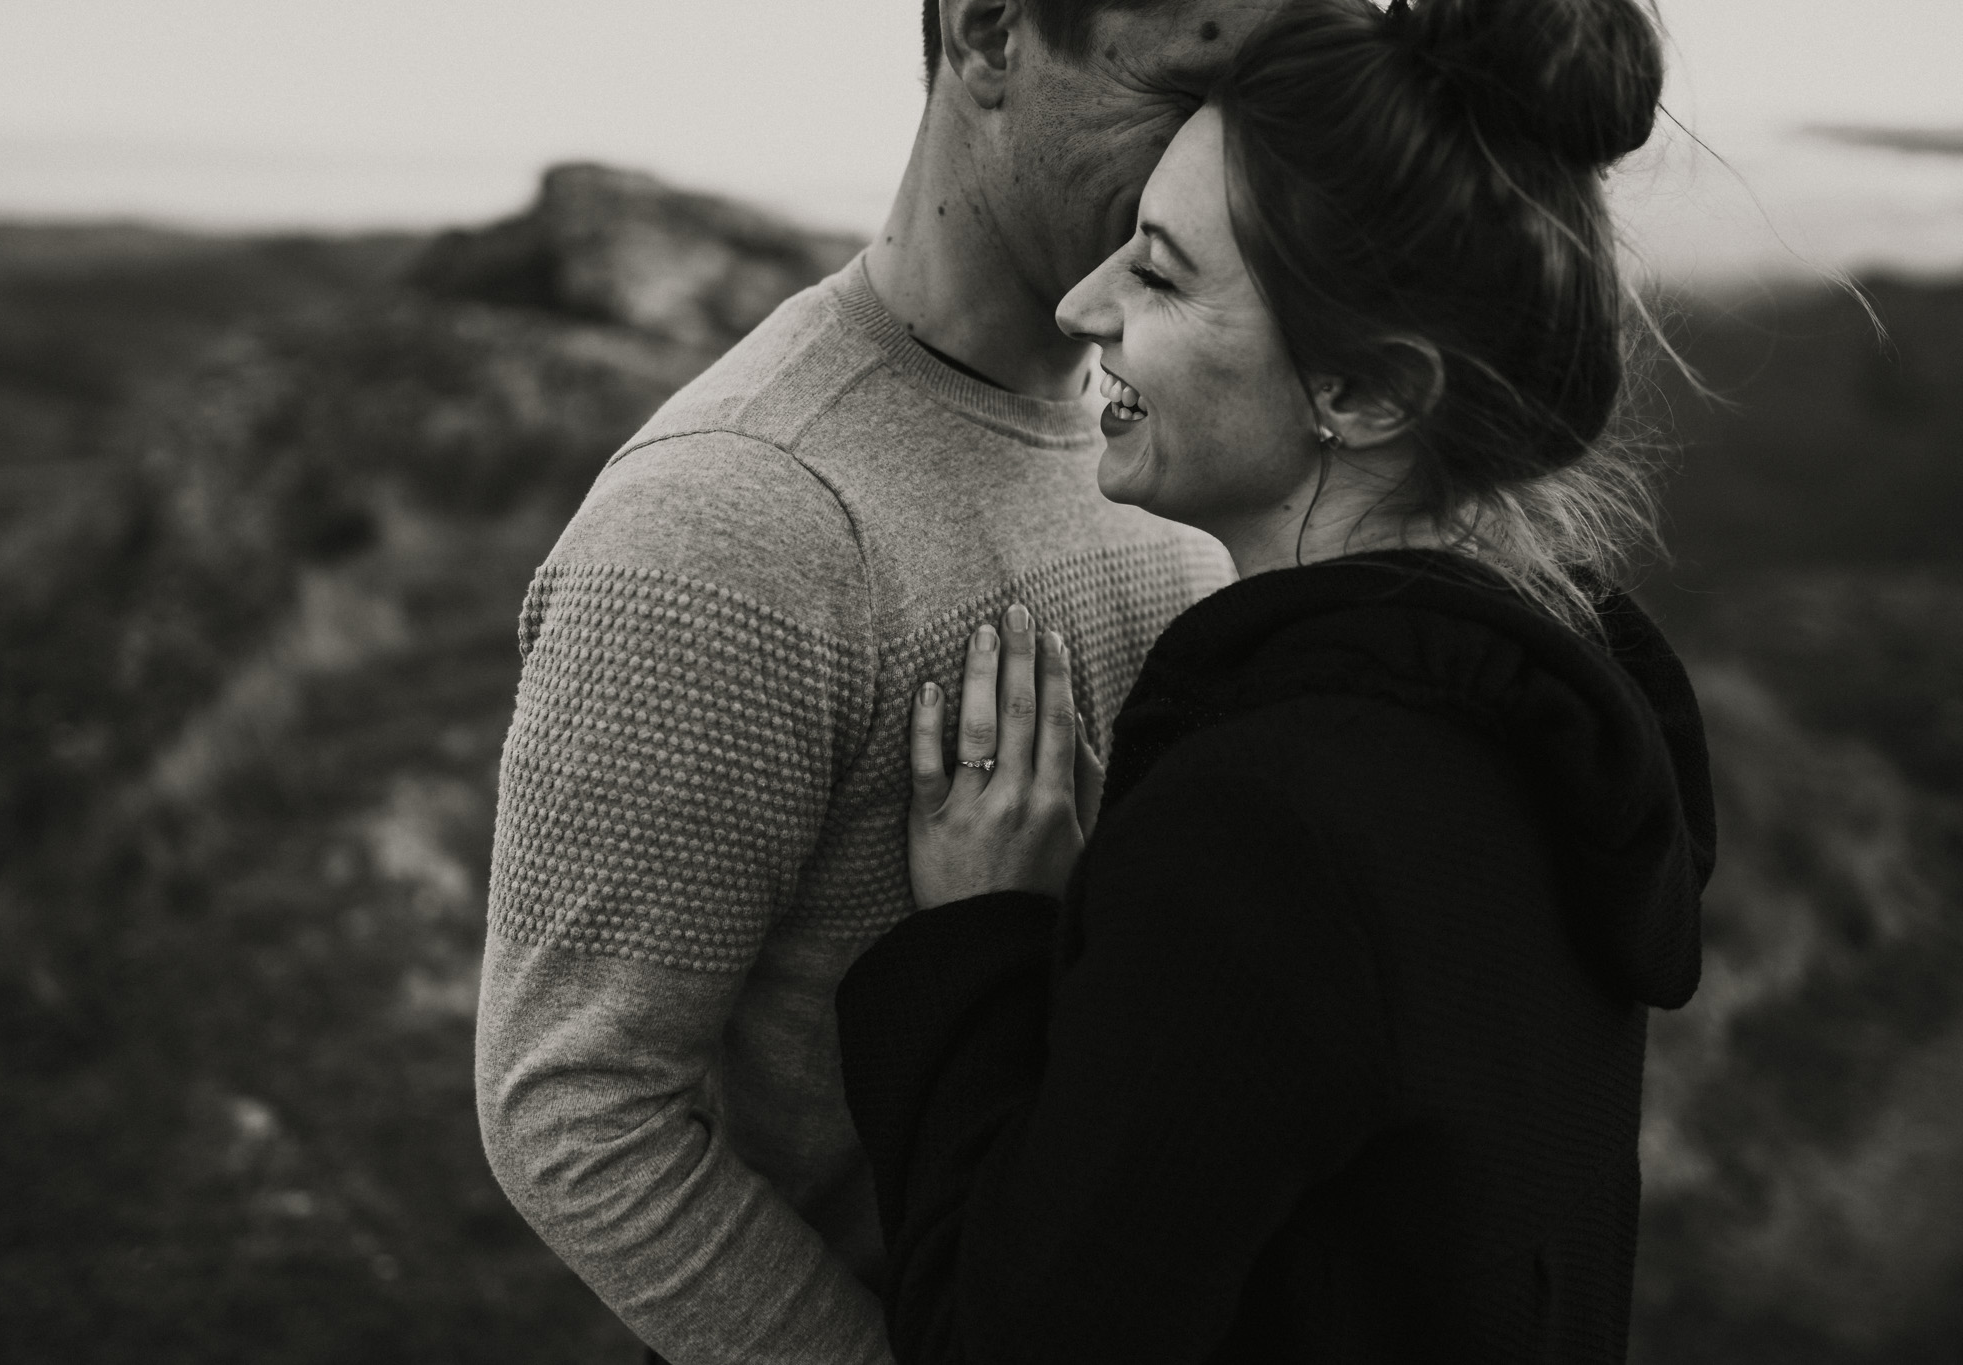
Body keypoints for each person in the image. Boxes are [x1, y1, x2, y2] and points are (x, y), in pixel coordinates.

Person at [834, 0, 1717, 1360]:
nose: (1086, 306)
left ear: (1366, 394)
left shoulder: (1271, 834)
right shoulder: (1555, 723)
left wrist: (984, 950)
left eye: (1166, 275)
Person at [473, 2, 1289, 1362]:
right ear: (988, 36)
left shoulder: (1176, 445)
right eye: (1194, 85)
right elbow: (576, 1108)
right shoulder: (728, 527)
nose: (1233, 159)